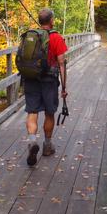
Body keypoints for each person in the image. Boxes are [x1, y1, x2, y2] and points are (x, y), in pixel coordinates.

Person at [24, 8, 68, 166]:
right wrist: (63, 88)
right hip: (49, 80)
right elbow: (62, 63)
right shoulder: (56, 37)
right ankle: (47, 146)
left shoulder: (31, 35)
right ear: (51, 21)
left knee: (32, 111)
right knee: (50, 112)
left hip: (30, 78)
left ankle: (32, 141)